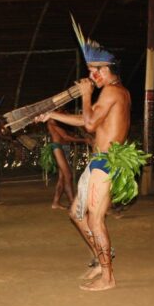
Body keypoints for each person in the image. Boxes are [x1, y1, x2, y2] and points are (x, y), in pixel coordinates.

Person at [35, 17, 131, 291]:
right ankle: (102, 264)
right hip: (97, 163)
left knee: (94, 220)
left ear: (107, 69)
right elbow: (89, 120)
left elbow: (89, 123)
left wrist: (86, 94)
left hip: (106, 165)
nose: (90, 77)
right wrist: (52, 114)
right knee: (77, 215)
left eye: (94, 70)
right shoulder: (114, 93)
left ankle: (108, 277)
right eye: (89, 71)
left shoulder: (112, 92)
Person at [46, 116, 89, 209]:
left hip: (64, 147)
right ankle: (73, 203)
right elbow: (65, 137)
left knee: (62, 178)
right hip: (57, 147)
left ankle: (55, 202)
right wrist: (84, 140)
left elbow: (66, 136)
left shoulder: (59, 120)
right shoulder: (51, 120)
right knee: (68, 176)